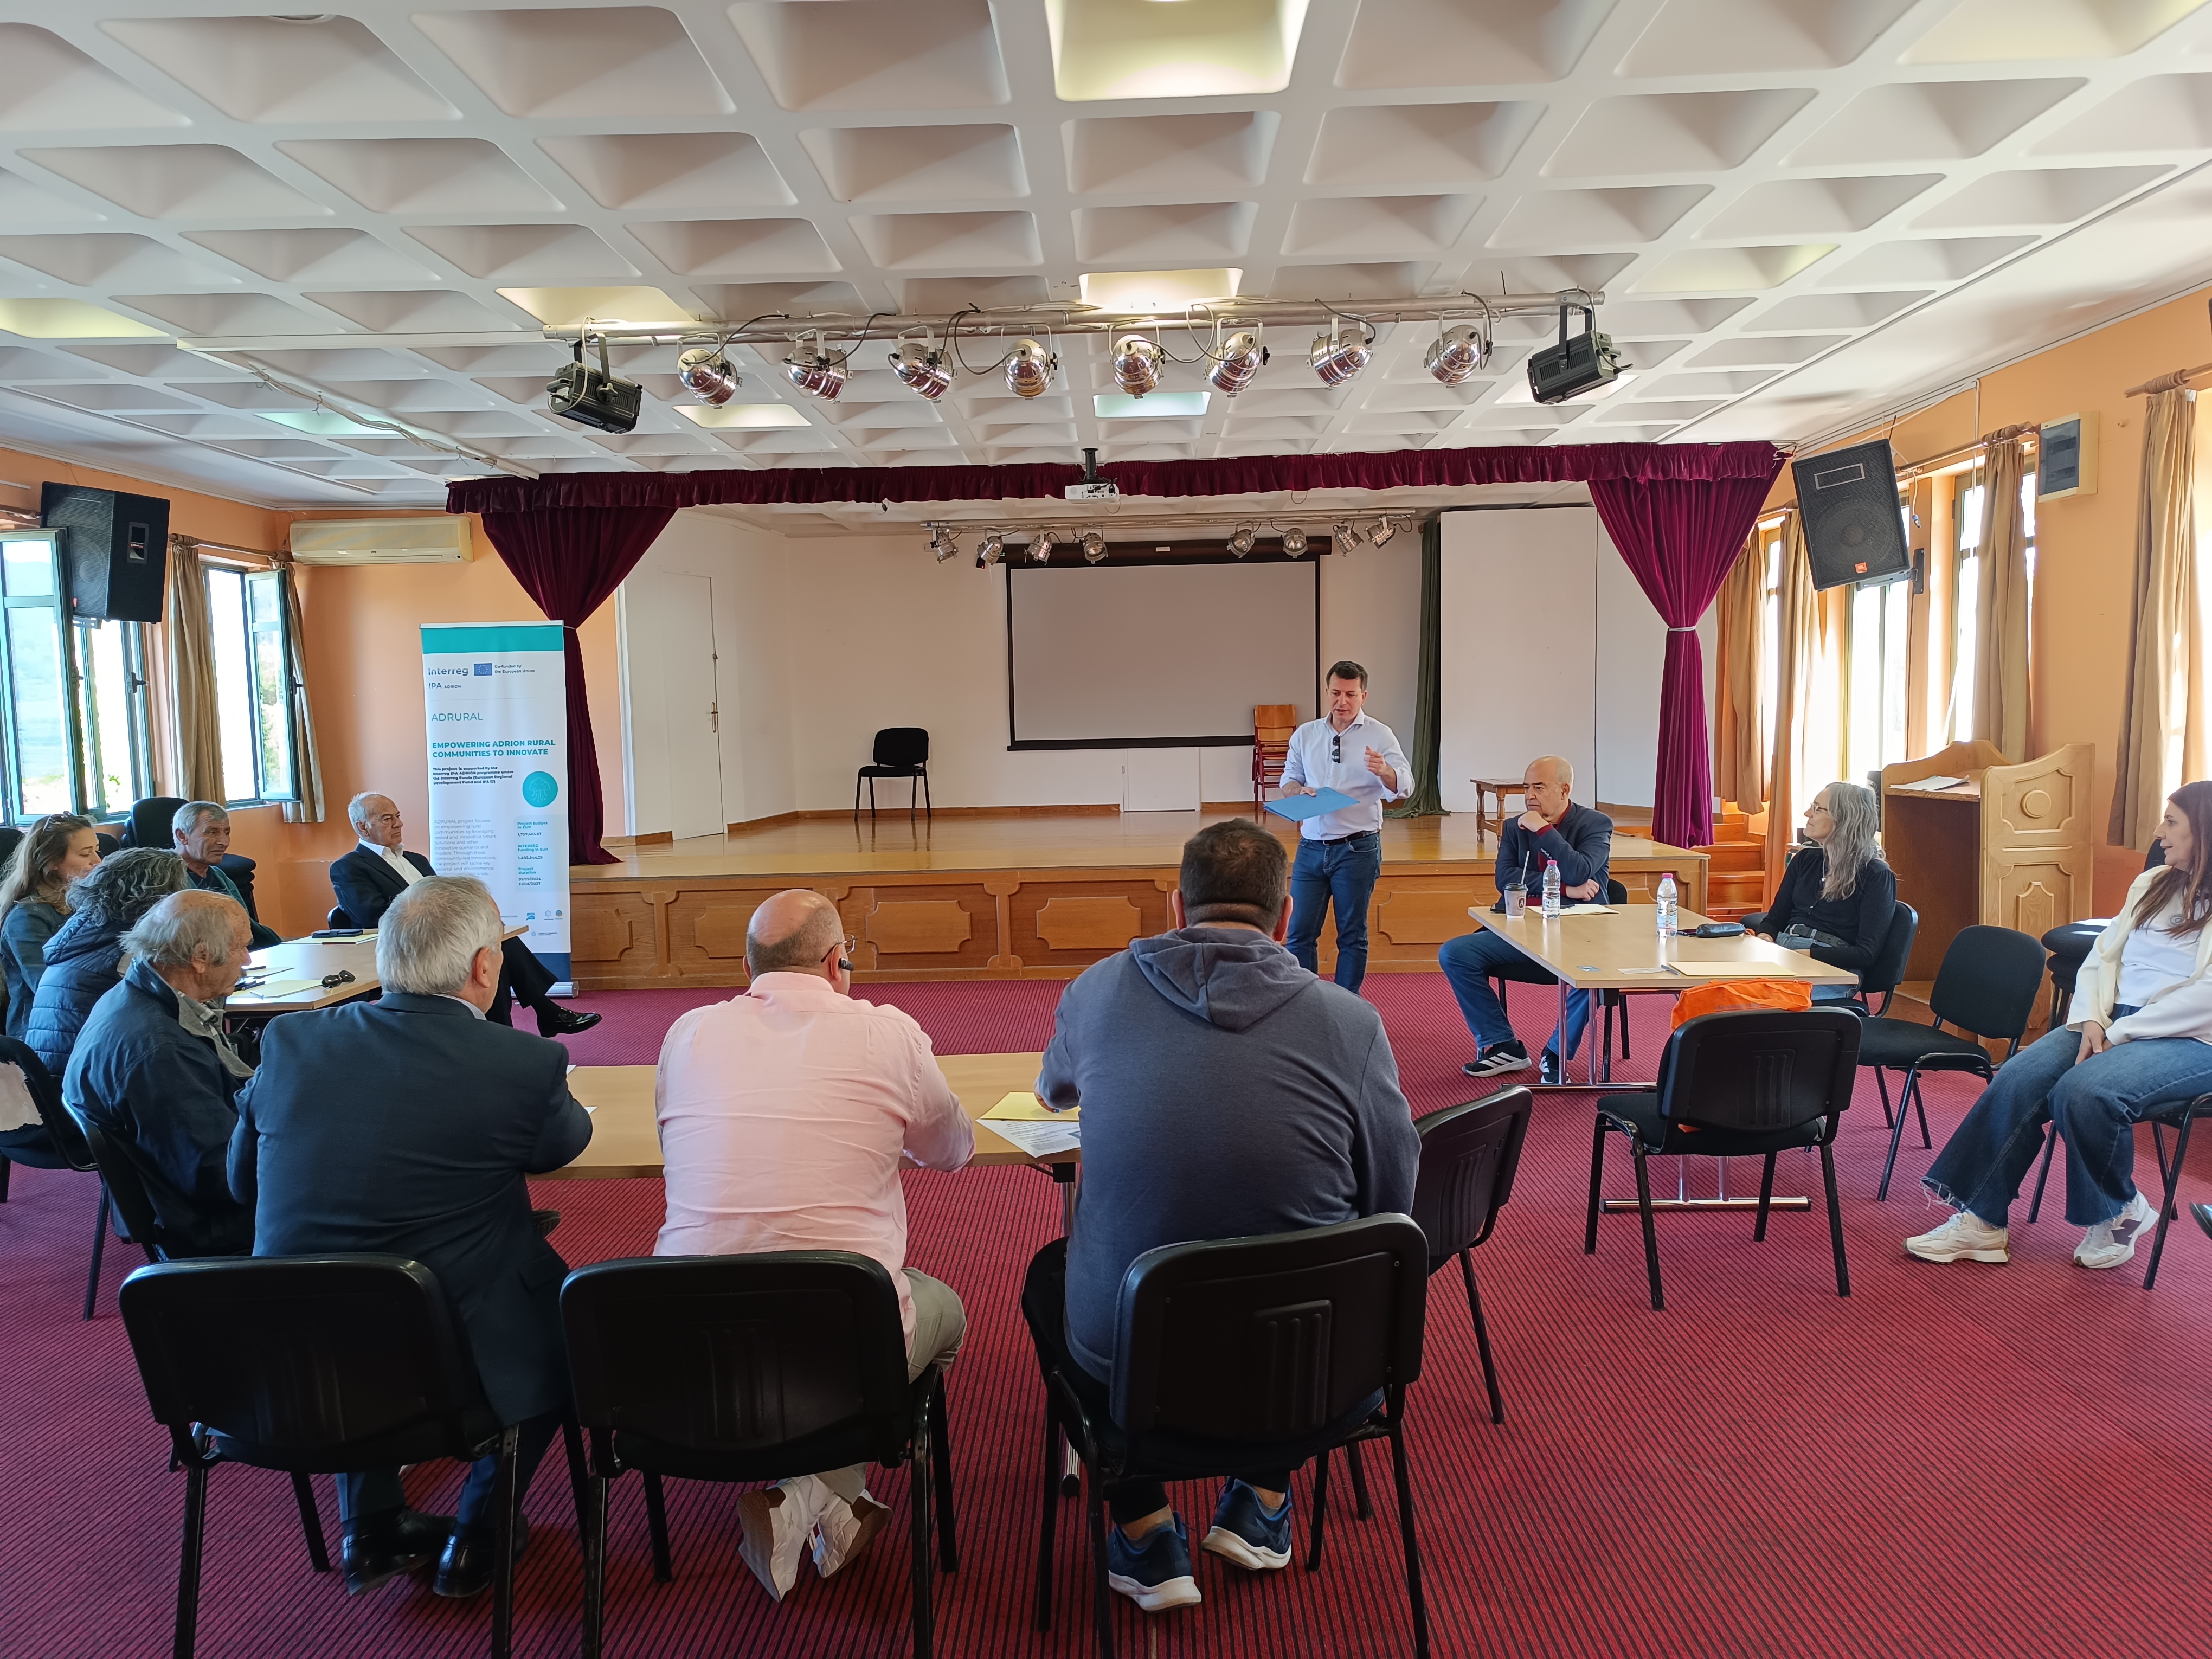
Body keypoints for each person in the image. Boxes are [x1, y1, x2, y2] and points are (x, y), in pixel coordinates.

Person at [1027, 818, 1419, 1615]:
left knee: (1048, 1278)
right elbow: (1393, 1196)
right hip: (1314, 1370)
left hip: (1136, 1367)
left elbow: (1052, 1093)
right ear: (1285, 918)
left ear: (1178, 907)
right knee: (1307, 1266)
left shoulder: (1096, 990)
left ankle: (1144, 1527)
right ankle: (1263, 1496)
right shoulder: (1352, 1022)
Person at [228, 876, 593, 1598]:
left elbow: (243, 1184)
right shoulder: (521, 1063)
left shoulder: (290, 1042)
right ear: (485, 968)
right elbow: (562, 1143)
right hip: (449, 1361)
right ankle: (480, 1535)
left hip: (295, 1363)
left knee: (347, 1292)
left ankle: (370, 1529)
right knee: (565, 1323)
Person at [654, 888, 974, 1603]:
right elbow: (952, 1151)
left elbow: (677, 1143)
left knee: (826, 1308)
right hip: (844, 1337)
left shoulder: (686, 1034)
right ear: (837, 962)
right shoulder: (886, 1033)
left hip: (692, 1343)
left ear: (747, 968)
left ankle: (814, 1499)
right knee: (942, 1312)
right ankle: (815, 1494)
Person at [1907, 782, 2212, 1271]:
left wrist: (2120, 1034)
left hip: (2192, 1036)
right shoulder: (2153, 883)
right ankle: (1982, 1222)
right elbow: (2103, 956)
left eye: (2172, 822)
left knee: (2085, 1091)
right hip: (2113, 1018)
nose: (2159, 832)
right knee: (2017, 1077)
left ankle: (2118, 1210)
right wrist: (2092, 1016)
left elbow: (2206, 998)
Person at [65, 890, 255, 1257]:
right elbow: (220, 1175)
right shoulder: (162, 1052)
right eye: (241, 947)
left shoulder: (127, 995)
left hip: (180, 1196)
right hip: (209, 1222)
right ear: (200, 957)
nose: (247, 960)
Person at [329, 792, 599, 1037]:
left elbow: (444, 899)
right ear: (363, 827)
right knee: (493, 947)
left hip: (443, 939)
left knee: (494, 946)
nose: (399, 824)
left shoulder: (417, 860)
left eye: (398, 816)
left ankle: (506, 1031)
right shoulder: (349, 867)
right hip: (404, 949)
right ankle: (537, 1017)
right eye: (387, 819)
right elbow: (373, 915)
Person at [1438, 755, 1612, 1084]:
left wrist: (1543, 830)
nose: (1530, 795)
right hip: (1523, 932)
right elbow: (1505, 880)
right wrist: (1565, 889)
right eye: (1527, 787)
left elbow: (1580, 870)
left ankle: (1556, 1053)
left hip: (1580, 935)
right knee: (1456, 953)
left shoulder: (1595, 824)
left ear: (1564, 790)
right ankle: (1503, 1045)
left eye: (1539, 787)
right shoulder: (1514, 827)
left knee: (1597, 973)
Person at [1276, 660, 1413, 996]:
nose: (1342, 701)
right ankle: (1305, 1002)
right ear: (1327, 691)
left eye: (1351, 694)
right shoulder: (1306, 734)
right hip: (1311, 848)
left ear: (1363, 696)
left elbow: (1407, 786)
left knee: (1351, 934)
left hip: (1357, 848)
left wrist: (1385, 772)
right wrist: (1298, 790)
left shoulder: (1380, 734)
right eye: (1336, 693)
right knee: (1299, 932)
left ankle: (1346, 1005)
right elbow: (1288, 780)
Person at [24, 848, 190, 1083]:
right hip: (87, 1085)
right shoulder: (132, 951)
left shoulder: (82, 930)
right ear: (161, 897)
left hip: (55, 1082)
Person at [1743, 781, 1897, 1005]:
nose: (1808, 813)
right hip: (1785, 949)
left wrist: (1801, 955)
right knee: (1719, 987)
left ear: (1844, 818)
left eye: (1817, 809)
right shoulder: (1804, 860)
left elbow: (1866, 953)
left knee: (1750, 1000)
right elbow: (1775, 919)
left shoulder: (1876, 875)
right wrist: (1764, 939)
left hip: (1831, 965)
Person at [0, 813, 99, 1043]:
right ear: (52, 861)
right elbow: (51, 991)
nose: (98, 861)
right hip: (44, 1032)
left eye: (97, 850)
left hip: (82, 1019)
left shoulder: (82, 901)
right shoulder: (26, 917)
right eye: (86, 854)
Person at [171, 801, 280, 949]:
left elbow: (245, 926)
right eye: (212, 832)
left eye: (227, 832)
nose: (224, 842)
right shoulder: (166, 880)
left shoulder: (220, 877)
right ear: (182, 836)